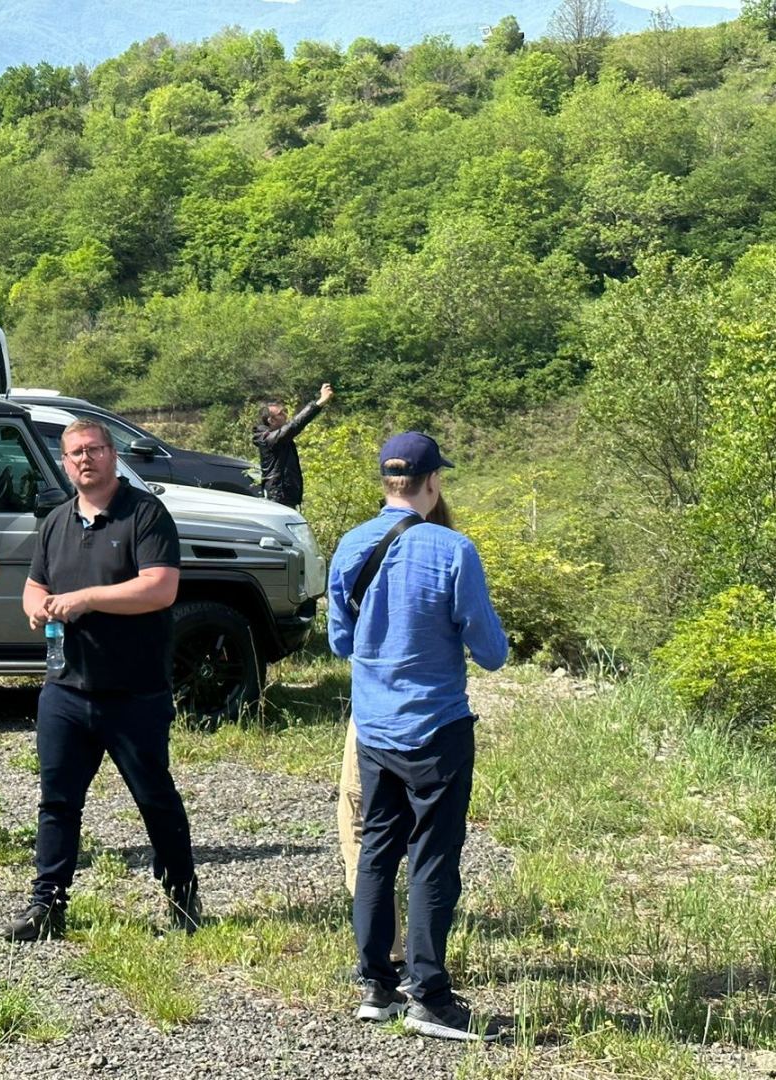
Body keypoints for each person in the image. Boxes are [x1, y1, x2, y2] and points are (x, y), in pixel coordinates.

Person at [328, 431, 510, 1042]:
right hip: (436, 727)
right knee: (433, 858)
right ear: (432, 482)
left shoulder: (350, 546)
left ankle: (376, 987)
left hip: (375, 728)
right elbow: (491, 653)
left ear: (388, 480)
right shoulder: (454, 550)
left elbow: (340, 642)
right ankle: (429, 996)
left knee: (378, 850)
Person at [6, 418, 201, 943]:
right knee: (57, 800)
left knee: (154, 797)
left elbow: (160, 589)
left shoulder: (145, 514)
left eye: (93, 449)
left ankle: (182, 897)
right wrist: (37, 607)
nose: (84, 459)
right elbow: (33, 585)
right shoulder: (57, 521)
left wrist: (88, 598)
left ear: (112, 456)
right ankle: (47, 902)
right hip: (65, 689)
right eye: (74, 453)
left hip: (133, 690)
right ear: (65, 463)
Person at [253, 383, 334, 508]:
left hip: (285, 497)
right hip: (278, 498)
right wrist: (319, 403)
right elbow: (293, 426)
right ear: (271, 421)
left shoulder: (277, 437)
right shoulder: (267, 439)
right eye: (281, 413)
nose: (285, 415)